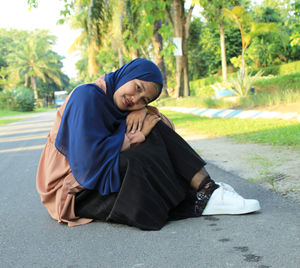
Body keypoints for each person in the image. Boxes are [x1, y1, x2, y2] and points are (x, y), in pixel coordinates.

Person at [36, 58, 260, 230]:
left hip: (94, 177)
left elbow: (166, 128)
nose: (134, 98)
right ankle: (204, 195)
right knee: (141, 159)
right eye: (137, 87)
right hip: (71, 191)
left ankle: (207, 190)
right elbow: (86, 164)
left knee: (153, 132)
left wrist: (144, 112)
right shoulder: (87, 97)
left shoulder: (122, 104)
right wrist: (134, 137)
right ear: (127, 75)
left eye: (144, 99)